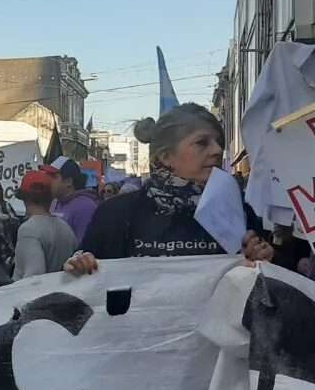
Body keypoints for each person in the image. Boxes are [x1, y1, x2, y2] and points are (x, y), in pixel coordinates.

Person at [66, 104, 275, 275]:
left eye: (218, 142)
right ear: (166, 157)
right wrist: (79, 266)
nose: (218, 150)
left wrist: (263, 259)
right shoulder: (116, 214)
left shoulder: (239, 211)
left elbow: (267, 289)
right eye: (202, 143)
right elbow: (83, 287)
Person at [12, 170, 78, 280]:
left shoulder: (29, 230)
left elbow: (34, 279)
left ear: (24, 198)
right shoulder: (66, 227)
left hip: (33, 296)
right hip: (63, 293)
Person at [49, 159, 98, 242]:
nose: (48, 181)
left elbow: (83, 248)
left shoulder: (86, 207)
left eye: (54, 177)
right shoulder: (54, 203)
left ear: (68, 181)